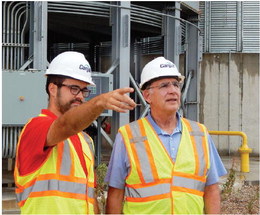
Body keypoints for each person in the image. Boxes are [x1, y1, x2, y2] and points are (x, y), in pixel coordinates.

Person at [14, 51, 136, 214]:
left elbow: (88, 197)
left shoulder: (85, 140)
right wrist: (99, 102)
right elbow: (66, 125)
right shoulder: (36, 127)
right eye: (73, 89)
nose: (80, 96)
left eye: (84, 91)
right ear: (52, 88)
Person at [105, 56, 227, 214]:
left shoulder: (200, 134)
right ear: (147, 96)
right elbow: (115, 194)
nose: (173, 90)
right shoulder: (128, 136)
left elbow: (211, 189)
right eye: (164, 85)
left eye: (176, 84)